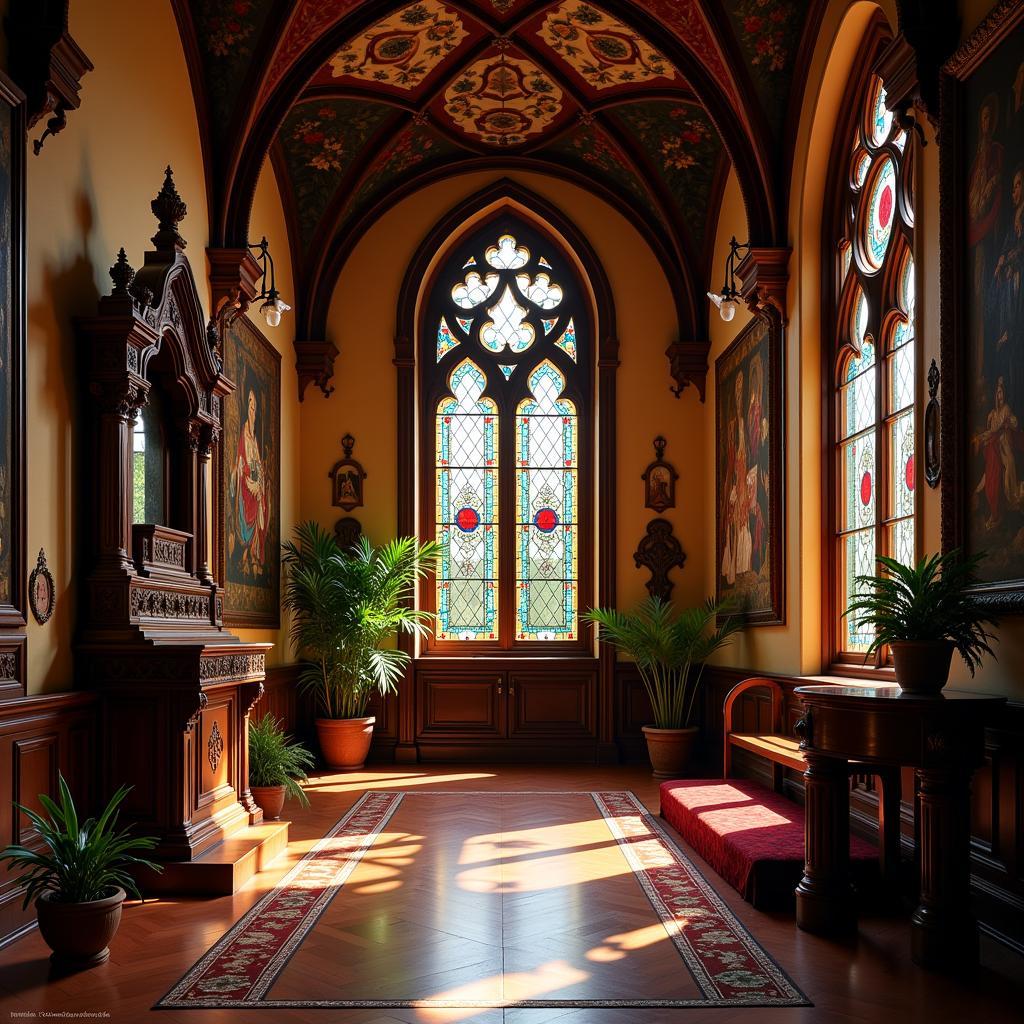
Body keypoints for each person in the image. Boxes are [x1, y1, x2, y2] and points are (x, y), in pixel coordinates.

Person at [972, 376, 1024, 529]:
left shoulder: (1006, 409)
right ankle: (995, 509)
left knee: (1009, 467)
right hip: (995, 445)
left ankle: (1013, 496)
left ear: (1004, 394)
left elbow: (1014, 423)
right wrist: (981, 438)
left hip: (1005, 444)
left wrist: (1010, 423)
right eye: (997, 393)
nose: (999, 396)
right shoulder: (993, 413)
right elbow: (990, 431)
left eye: (1001, 392)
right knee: (992, 472)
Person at [230, 390, 269, 574]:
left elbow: (258, 465)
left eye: (255, 407)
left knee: (262, 504)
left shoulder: (254, 439)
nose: (252, 410)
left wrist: (259, 482)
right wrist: (248, 478)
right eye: (250, 406)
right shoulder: (244, 434)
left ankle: (251, 555)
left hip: (255, 488)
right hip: (245, 486)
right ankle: (245, 555)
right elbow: (241, 461)